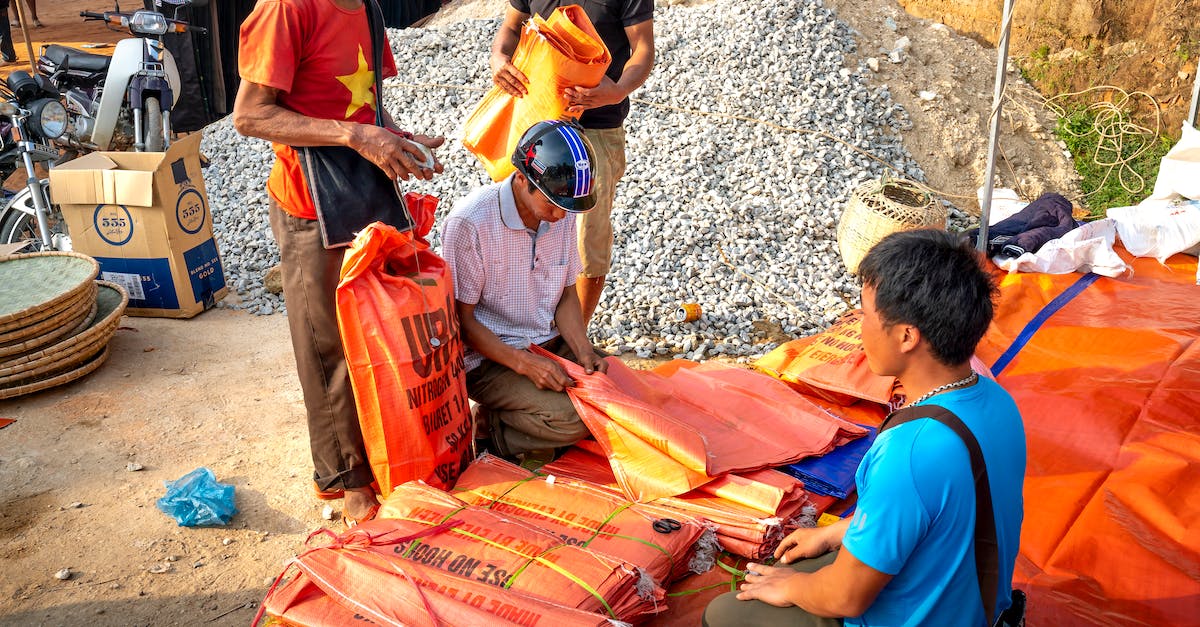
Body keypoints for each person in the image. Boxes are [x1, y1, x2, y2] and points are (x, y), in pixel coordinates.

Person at [704, 229, 1026, 627]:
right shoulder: (998, 401)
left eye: (865, 314)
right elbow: (937, 511)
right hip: (979, 610)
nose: (859, 329)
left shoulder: (908, 453)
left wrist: (791, 587)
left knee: (725, 614)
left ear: (907, 336)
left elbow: (845, 598)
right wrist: (837, 532)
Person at [232, 0, 444, 526]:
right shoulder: (286, 9)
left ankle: (382, 451)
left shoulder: (366, 8)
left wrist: (396, 137)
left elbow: (366, 107)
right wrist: (354, 136)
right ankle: (346, 479)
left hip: (363, 196)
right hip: (308, 204)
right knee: (326, 345)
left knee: (374, 332)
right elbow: (250, 115)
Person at [442, 119, 608, 459]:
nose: (562, 217)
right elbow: (462, 322)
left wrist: (583, 350)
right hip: (489, 360)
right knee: (573, 420)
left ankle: (516, 420)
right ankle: (493, 435)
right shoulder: (471, 223)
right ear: (521, 179)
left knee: (616, 390)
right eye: (553, 206)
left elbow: (564, 294)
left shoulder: (559, 209)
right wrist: (524, 364)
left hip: (545, 342)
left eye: (568, 209)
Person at [490, 0, 654, 326]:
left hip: (596, 128)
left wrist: (618, 90)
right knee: (516, 223)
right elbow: (510, 27)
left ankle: (572, 338)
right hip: (535, 122)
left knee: (586, 236)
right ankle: (520, 329)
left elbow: (643, 49)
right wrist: (498, 59)